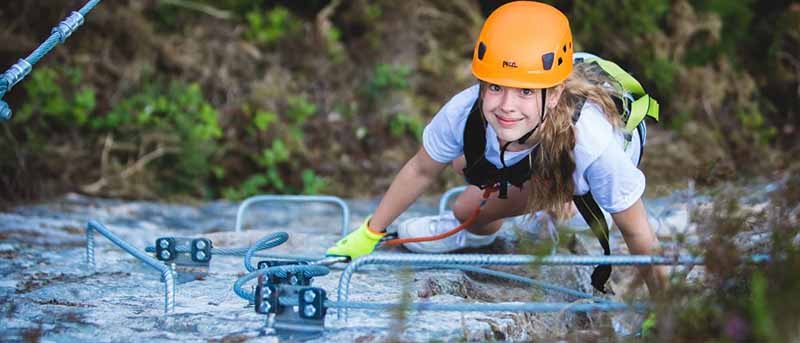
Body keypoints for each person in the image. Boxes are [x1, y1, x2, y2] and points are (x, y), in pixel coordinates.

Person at [327, 1, 667, 293]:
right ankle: (480, 232)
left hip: (597, 159)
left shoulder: (594, 145)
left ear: (555, 94)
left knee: (566, 188)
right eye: (495, 88)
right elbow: (421, 168)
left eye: (525, 92)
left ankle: (560, 210)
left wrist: (664, 313)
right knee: (465, 205)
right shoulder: (464, 110)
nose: (506, 106)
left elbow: (637, 231)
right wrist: (370, 233)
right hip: (536, 145)